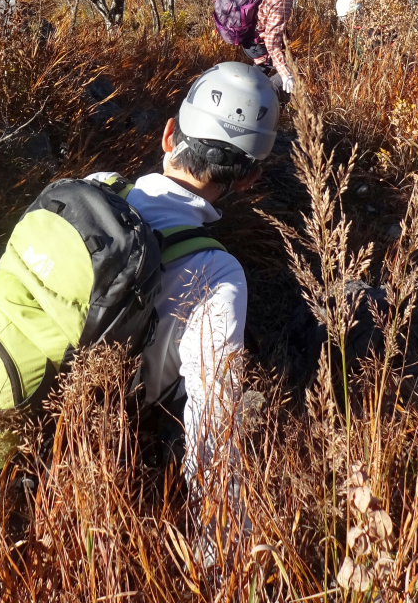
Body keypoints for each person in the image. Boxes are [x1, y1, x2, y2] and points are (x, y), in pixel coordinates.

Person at [88, 62, 279, 553]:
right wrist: (220, 555)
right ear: (249, 178)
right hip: (100, 444)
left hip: (0, 387)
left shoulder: (94, 187)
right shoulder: (217, 272)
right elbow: (213, 416)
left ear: (169, 134)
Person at [242, 0, 322, 93]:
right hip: (258, 45)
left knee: (259, 70)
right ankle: (260, 99)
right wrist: (286, 74)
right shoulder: (282, 0)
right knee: (288, 74)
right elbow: (272, 43)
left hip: (247, 35)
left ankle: (248, 87)